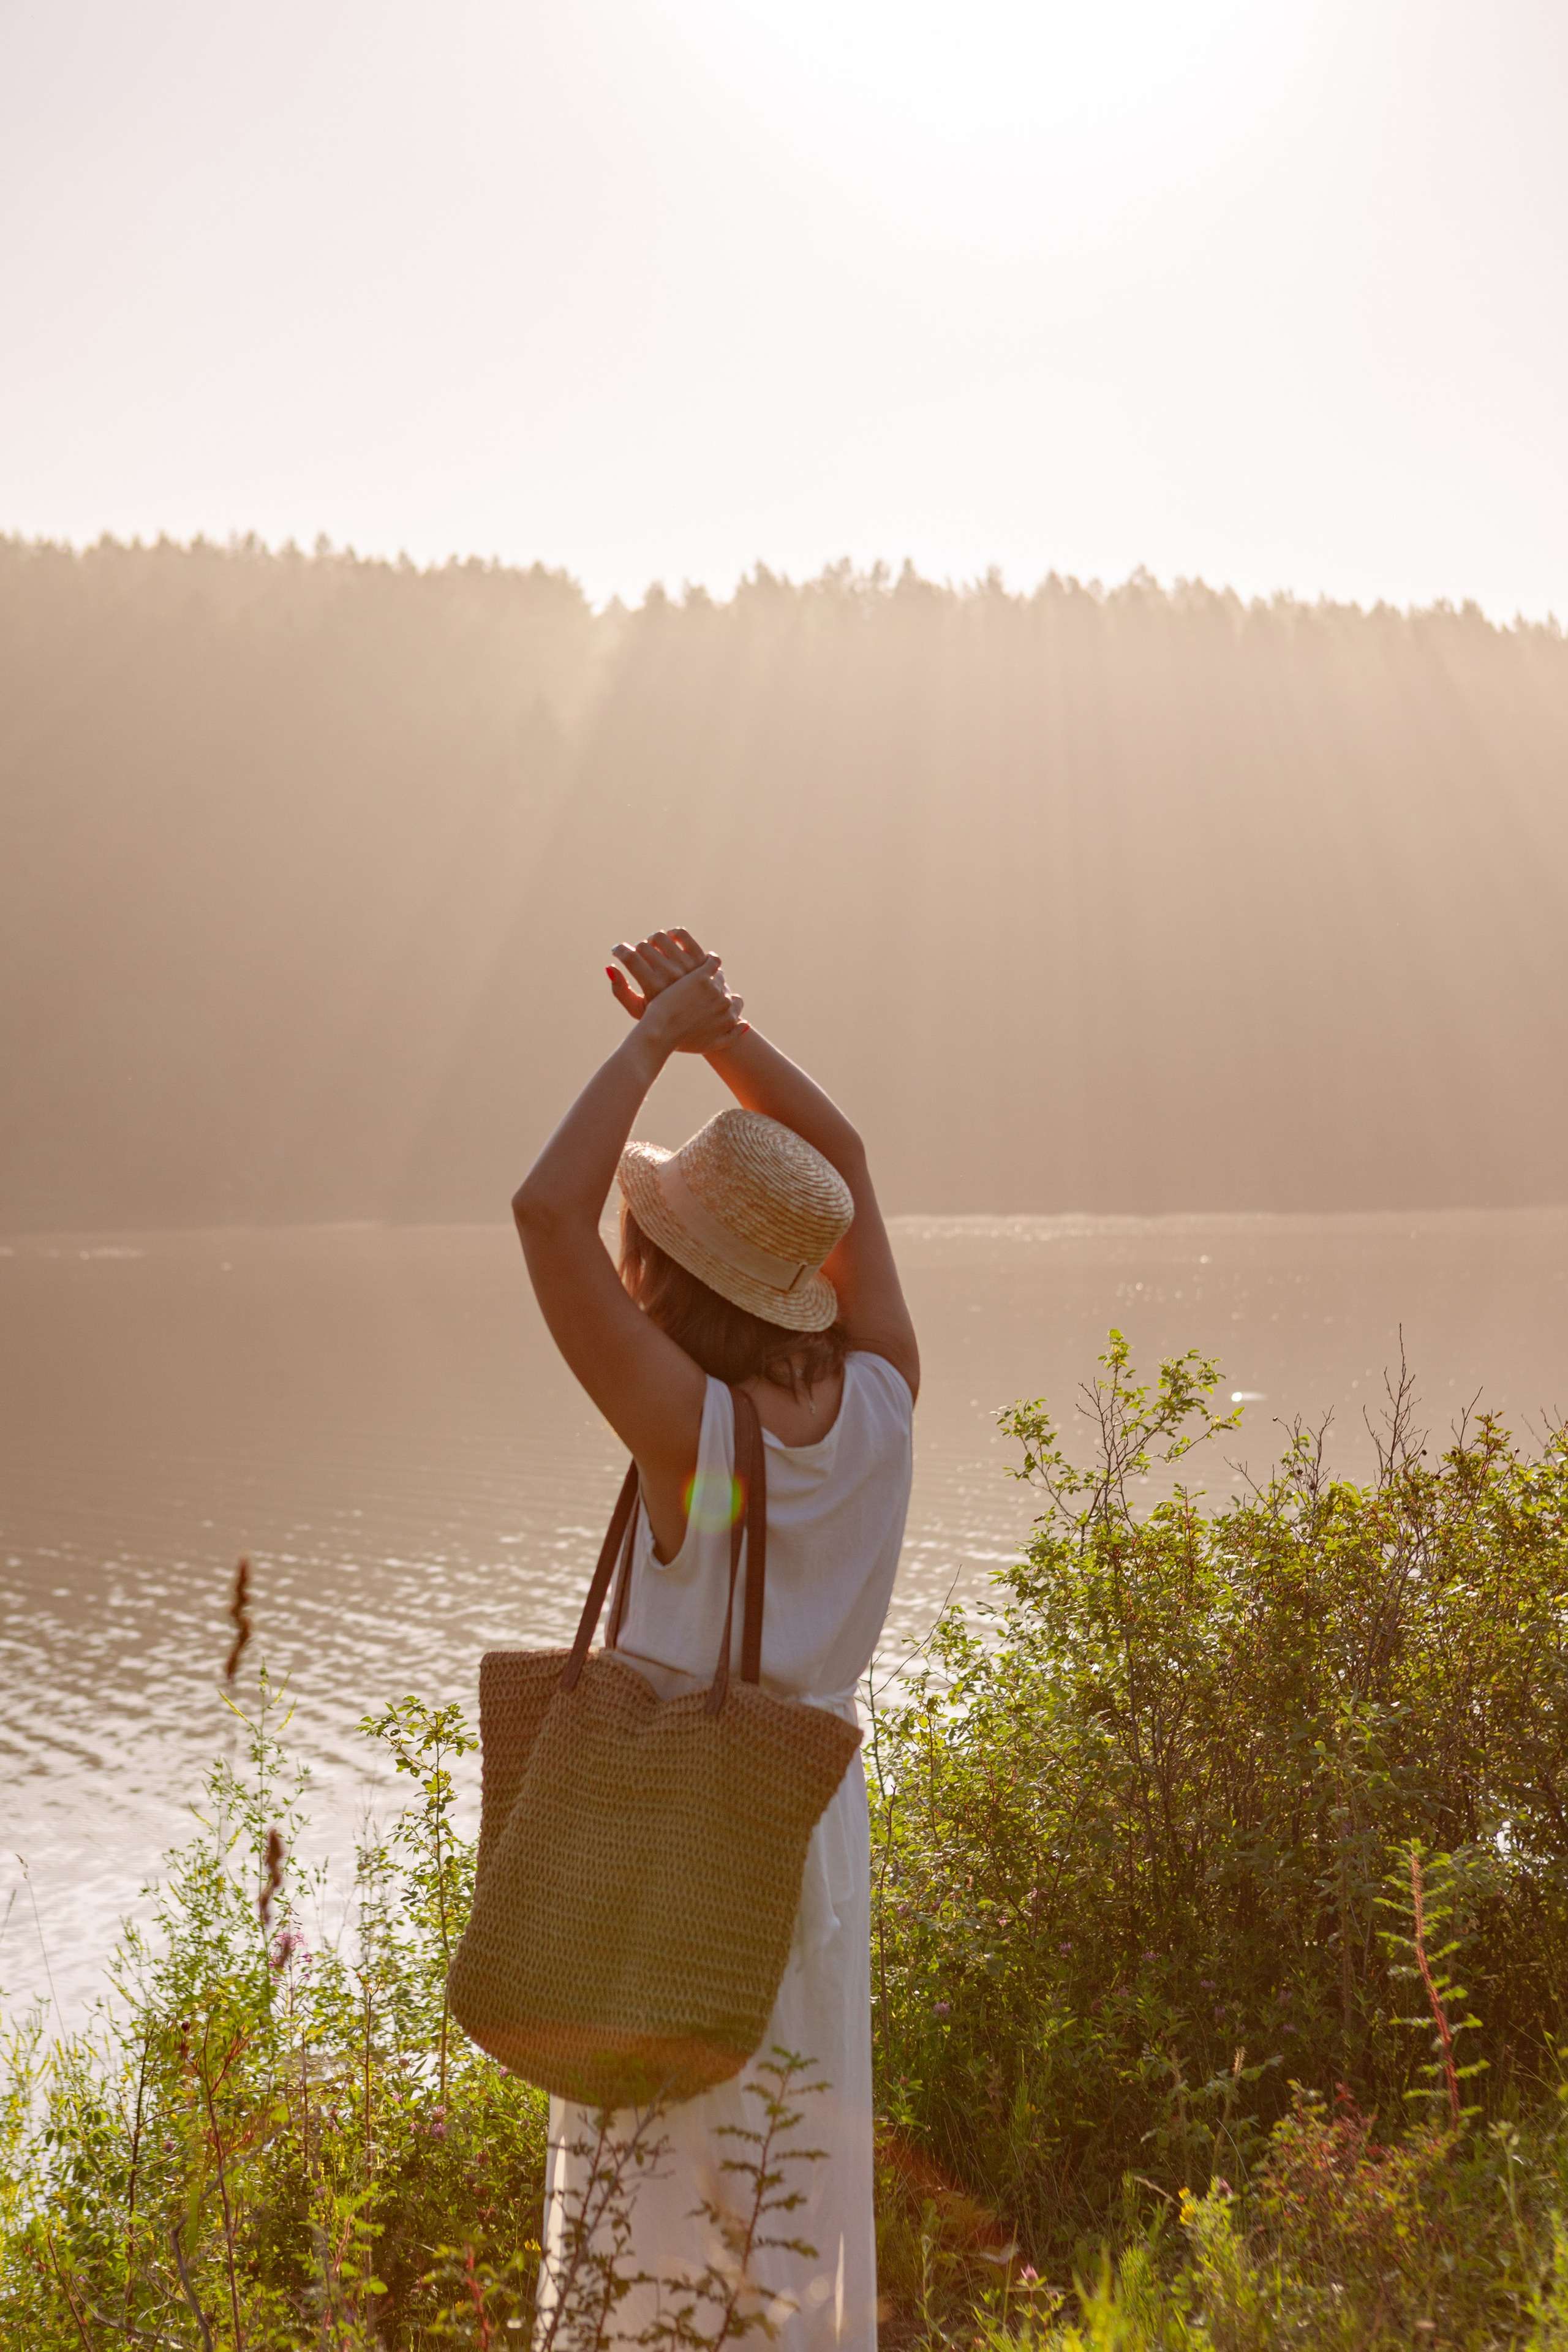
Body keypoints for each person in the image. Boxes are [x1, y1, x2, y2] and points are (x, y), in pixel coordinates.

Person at [511, 925, 919, 2352]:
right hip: (803, 1825)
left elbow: (542, 1215)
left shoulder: (697, 1435)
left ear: (675, 1270)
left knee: (653, 2201)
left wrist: (653, 1044)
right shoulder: (883, 1400)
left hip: (675, 1827)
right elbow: (847, 1161)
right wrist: (723, 1037)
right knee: (788, 2174)